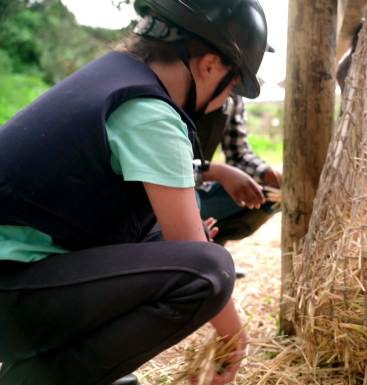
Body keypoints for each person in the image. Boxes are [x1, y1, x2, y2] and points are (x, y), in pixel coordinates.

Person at [0, 0, 268, 384]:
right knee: (211, 272)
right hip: (9, 291)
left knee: (174, 244)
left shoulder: (114, 77)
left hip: (16, 279)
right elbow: (195, 256)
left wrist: (185, 245)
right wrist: (234, 339)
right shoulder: (150, 112)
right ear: (209, 65)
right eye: (231, 87)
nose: (226, 101)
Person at [195, 93, 282, 245]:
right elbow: (165, 168)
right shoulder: (171, 91)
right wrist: (216, 172)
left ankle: (216, 248)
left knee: (270, 193)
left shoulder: (233, 96)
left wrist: (265, 173)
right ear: (208, 68)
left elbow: (238, 153)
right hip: (170, 192)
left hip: (203, 189)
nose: (235, 88)